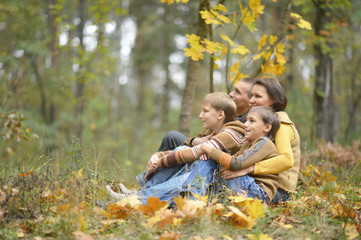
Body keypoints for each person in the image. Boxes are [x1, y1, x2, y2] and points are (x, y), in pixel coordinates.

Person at [106, 92, 245, 204]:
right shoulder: (213, 133)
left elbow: (195, 152)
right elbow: (187, 149)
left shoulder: (232, 133)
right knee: (181, 152)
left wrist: (160, 161)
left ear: (220, 115)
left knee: (196, 164)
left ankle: (136, 199)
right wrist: (158, 156)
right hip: (203, 181)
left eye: (205, 111)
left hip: (219, 187)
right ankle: (137, 195)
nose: (200, 115)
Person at [220, 77, 301, 204]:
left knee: (233, 179)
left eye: (257, 96)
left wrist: (249, 169)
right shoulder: (261, 122)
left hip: (279, 192)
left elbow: (287, 160)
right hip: (260, 182)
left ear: (273, 100)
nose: (251, 100)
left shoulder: (281, 124)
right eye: (251, 95)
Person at [196, 106, 280, 204]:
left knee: (232, 172)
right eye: (246, 120)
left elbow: (236, 164)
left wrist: (209, 149)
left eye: (252, 121)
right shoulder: (247, 144)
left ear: (267, 127)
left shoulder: (265, 143)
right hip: (245, 186)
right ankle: (199, 197)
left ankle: (240, 205)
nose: (245, 124)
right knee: (216, 165)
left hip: (258, 193)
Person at [157, 78, 255, 151]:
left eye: (237, 92)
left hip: (210, 158)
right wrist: (193, 141)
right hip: (201, 150)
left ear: (251, 100)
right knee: (171, 138)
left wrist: (162, 158)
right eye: (233, 89)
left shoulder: (245, 124)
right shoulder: (225, 116)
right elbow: (200, 137)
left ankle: (147, 178)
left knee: (172, 137)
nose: (231, 94)